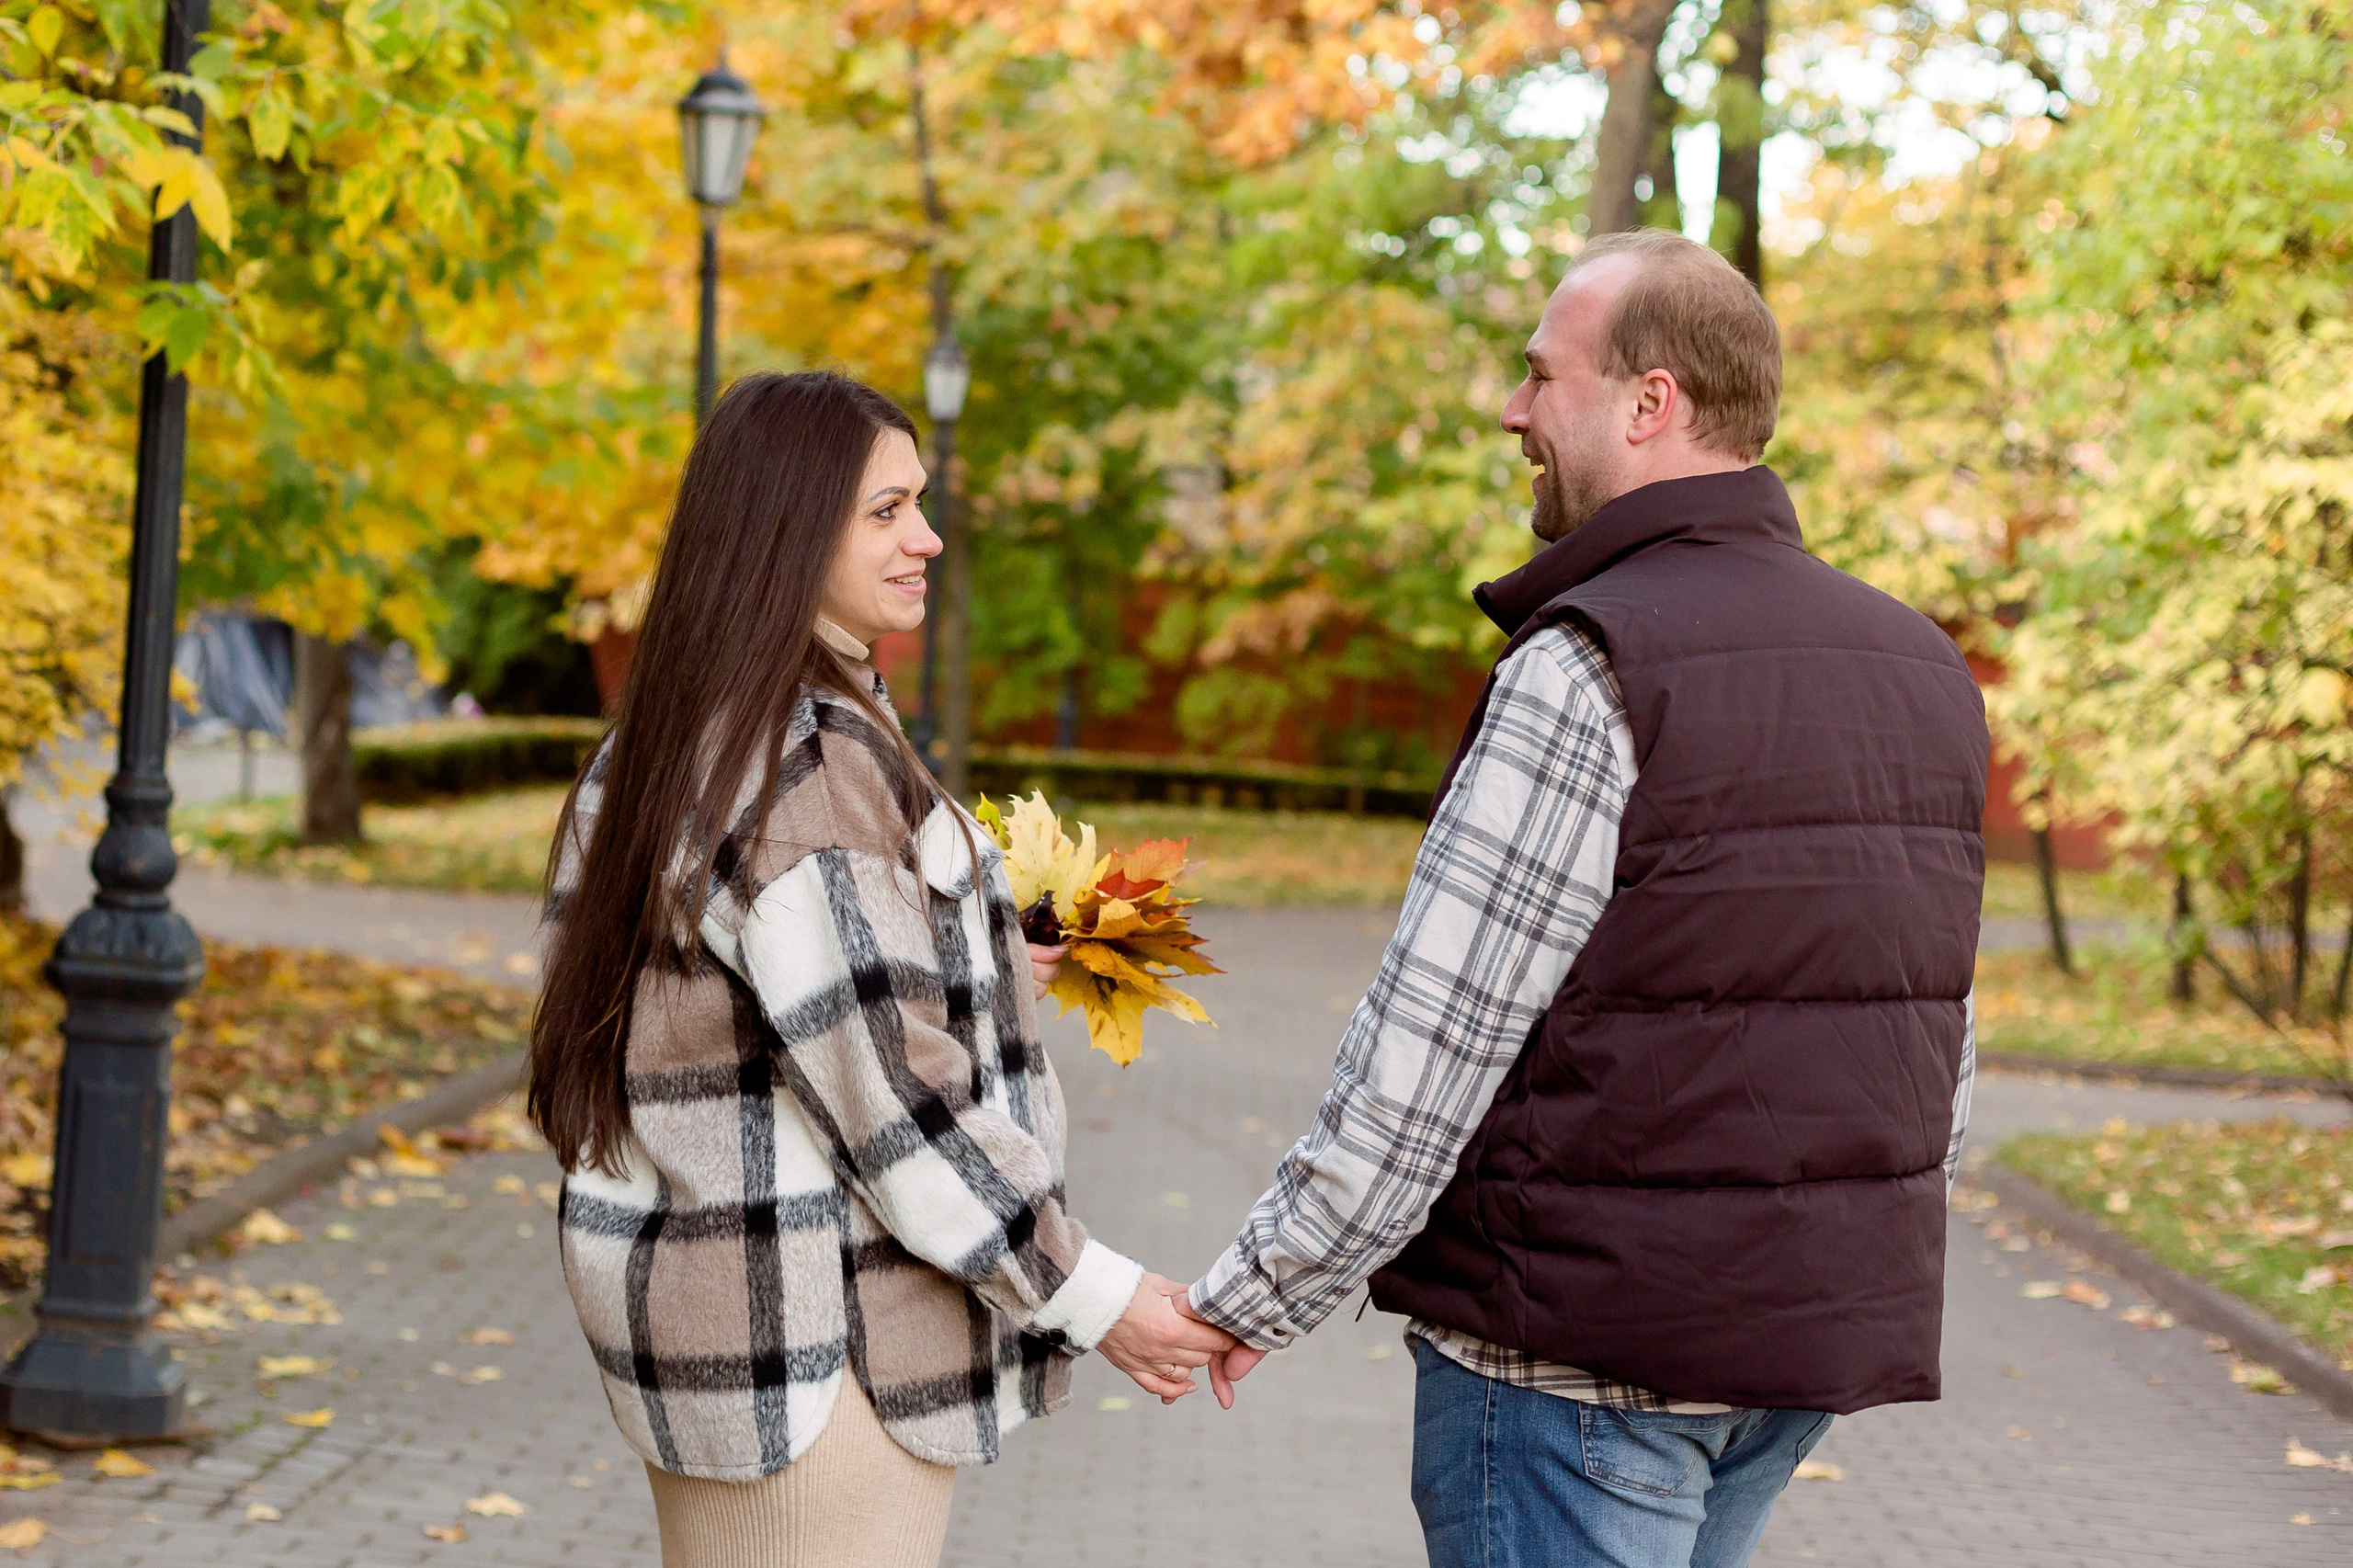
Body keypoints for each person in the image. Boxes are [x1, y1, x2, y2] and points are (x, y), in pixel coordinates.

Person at [1180, 230, 1986, 1568]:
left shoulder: (1588, 665)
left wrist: (1255, 1293)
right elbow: (1941, 1047)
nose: (1512, 408)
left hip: (1568, 1370)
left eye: (1540, 375)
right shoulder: (1924, 670)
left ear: (1649, 401)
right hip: (1791, 1365)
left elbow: (1428, 1047)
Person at [528, 370, 1234, 1568]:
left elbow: (736, 995)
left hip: (719, 1336)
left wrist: (973, 934)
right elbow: (899, 1104)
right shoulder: (804, 759)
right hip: (820, 1353)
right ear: (790, 529)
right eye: (888, 509)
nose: (930, 535)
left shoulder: (666, 735)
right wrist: (1103, 1296)